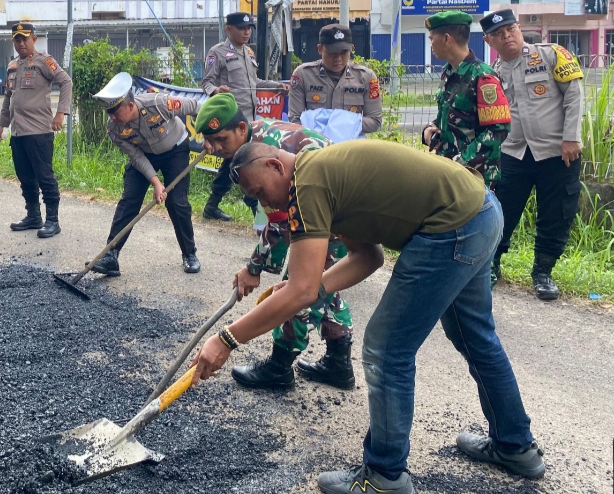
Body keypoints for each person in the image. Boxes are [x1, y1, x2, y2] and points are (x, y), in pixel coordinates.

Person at [190, 139, 546, 494]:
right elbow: (367, 257)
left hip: (453, 226)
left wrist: (227, 340)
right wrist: (315, 286)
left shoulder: (307, 184)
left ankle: (384, 475)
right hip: (479, 210)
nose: (265, 203)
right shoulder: (320, 174)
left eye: (261, 192)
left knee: (387, 349)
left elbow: (301, 291)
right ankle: (515, 446)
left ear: (276, 167)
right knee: (473, 335)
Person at [195, 93, 356, 390]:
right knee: (323, 282)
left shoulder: (269, 153)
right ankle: (338, 363)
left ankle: (280, 366)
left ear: (242, 129)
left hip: (334, 207)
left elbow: (282, 224)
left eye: (221, 139)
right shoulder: (253, 146)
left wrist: (254, 269)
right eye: (211, 142)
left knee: (298, 286)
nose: (215, 148)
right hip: (330, 207)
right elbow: (278, 219)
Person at [481, 9, 585, 300]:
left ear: (518, 29)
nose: (507, 36)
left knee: (556, 214)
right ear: (490, 41)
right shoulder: (492, 74)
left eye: (510, 29)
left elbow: (575, 95)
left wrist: (571, 138)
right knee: (501, 212)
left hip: (557, 151)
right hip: (513, 153)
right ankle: (491, 265)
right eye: (499, 34)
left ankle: (543, 272)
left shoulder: (552, 54)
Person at [91, 72, 202, 275]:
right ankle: (110, 255)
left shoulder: (160, 104)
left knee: (177, 202)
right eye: (109, 113)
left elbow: (196, 107)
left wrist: (211, 136)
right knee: (129, 200)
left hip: (175, 150)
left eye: (115, 112)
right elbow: (136, 157)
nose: (112, 117)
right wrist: (155, 182)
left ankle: (189, 253)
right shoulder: (114, 129)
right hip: (145, 155)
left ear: (131, 105)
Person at [0, 22, 72, 237]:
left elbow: (66, 82)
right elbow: (8, 97)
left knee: (44, 176)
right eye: (17, 40)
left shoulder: (44, 61)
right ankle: (33, 216)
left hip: (39, 132)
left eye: (24, 39)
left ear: (34, 39)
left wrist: (60, 113)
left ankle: (53, 221)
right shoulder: (12, 66)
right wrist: (1, 124)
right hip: (18, 133)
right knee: (25, 177)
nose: (20, 43)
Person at [200, 11, 279, 221]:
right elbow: (206, 82)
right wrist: (217, 90)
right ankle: (255, 205)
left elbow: (255, 84)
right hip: (231, 120)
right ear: (229, 29)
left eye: (249, 28)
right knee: (244, 160)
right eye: (242, 28)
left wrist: (275, 87)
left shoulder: (249, 53)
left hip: (250, 120)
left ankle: (213, 205)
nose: (247, 32)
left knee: (234, 161)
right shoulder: (217, 52)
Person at [421, 11, 510, 188]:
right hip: (450, 173)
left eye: (432, 39)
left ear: (447, 39)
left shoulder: (483, 76)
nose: (430, 44)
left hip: (474, 178)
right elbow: (451, 116)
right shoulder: (450, 72)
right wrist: (431, 128)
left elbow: (497, 130)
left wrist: (459, 163)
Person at [289, 23, 383, 137]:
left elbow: (375, 121)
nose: (338, 58)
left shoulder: (366, 77)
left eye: (344, 52)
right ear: (320, 49)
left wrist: (340, 123)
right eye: (332, 52)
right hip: (316, 144)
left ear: (351, 49)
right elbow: (295, 120)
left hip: (350, 147)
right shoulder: (303, 75)